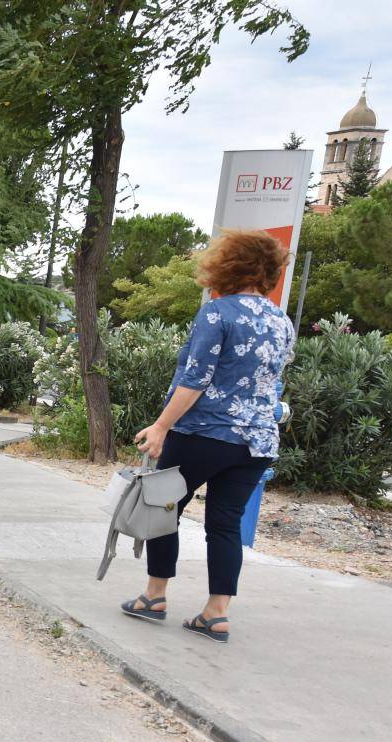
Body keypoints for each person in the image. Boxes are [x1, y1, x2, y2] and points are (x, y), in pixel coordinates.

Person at [121, 229, 297, 644]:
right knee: (224, 524)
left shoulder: (218, 313)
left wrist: (161, 425)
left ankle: (155, 597)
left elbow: (196, 379)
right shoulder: (280, 320)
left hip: (205, 432)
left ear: (225, 265)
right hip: (257, 441)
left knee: (163, 510)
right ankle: (216, 613)